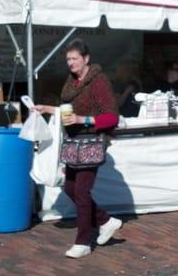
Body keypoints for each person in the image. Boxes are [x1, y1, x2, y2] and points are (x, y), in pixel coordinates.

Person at [34, 38, 121, 259]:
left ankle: (83, 242)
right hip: (73, 144)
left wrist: (84, 119)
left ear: (86, 59)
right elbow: (67, 112)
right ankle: (105, 220)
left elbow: (111, 117)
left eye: (74, 58)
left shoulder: (98, 82)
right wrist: (48, 109)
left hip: (92, 142)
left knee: (81, 191)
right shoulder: (71, 81)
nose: (70, 63)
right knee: (70, 189)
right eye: (68, 59)